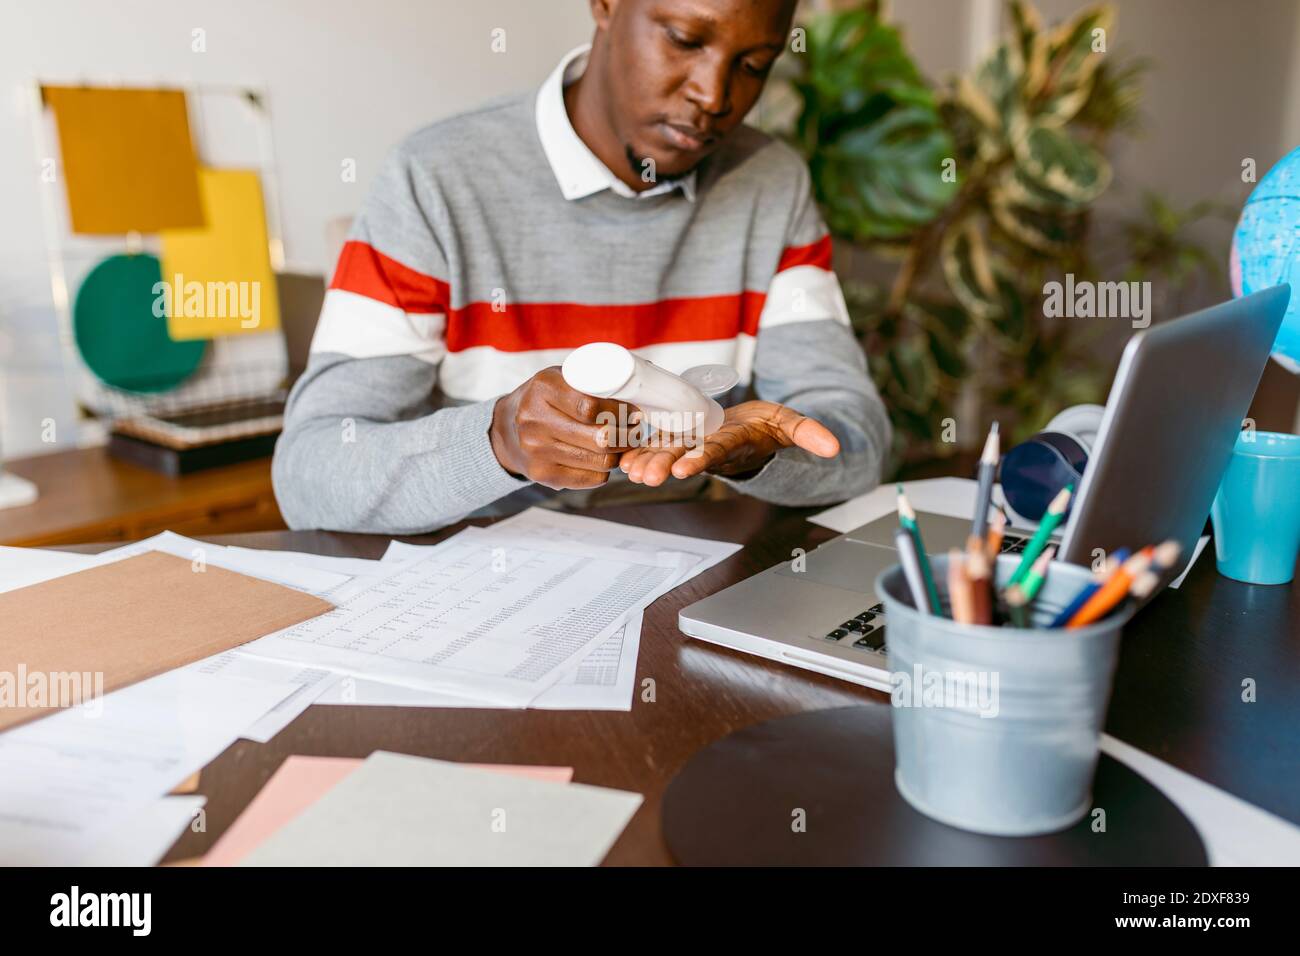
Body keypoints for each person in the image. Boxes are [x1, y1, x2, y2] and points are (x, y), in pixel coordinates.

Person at [273, 0, 890, 534]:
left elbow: (856, 443)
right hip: (482, 588)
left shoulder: (770, 184)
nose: (714, 96)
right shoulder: (435, 179)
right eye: (683, 39)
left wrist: (757, 455)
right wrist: (496, 442)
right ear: (605, 4)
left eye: (754, 64)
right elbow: (312, 473)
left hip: (686, 580)